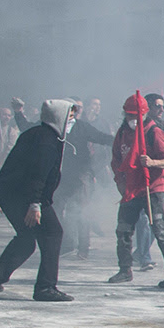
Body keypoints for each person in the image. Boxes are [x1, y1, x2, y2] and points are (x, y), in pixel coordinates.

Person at [0, 99, 76, 302]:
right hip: (23, 195)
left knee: (26, 238)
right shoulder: (47, 140)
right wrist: (35, 204)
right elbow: (37, 174)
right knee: (53, 233)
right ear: (59, 117)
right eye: (70, 115)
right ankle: (45, 287)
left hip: (11, 193)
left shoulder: (39, 134)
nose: (72, 119)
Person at [109, 91, 164, 288]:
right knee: (123, 230)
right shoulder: (122, 132)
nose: (132, 119)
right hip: (131, 188)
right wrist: (120, 182)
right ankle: (125, 270)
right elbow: (116, 159)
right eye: (129, 115)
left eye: (136, 115)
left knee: (159, 229)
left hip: (152, 187)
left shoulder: (153, 131)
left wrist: (152, 162)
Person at [59, 98, 107, 257]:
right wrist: (19, 114)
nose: (75, 111)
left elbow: (103, 139)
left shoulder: (83, 127)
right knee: (59, 210)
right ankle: (67, 243)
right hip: (61, 176)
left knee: (81, 211)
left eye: (77, 108)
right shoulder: (56, 127)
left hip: (81, 176)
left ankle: (83, 248)